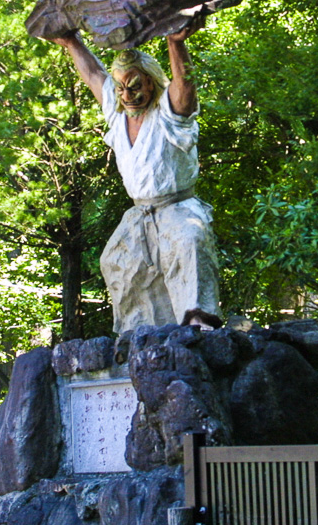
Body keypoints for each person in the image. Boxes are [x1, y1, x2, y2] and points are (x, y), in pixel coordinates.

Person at [51, 19, 220, 334]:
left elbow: (184, 87)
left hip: (178, 208)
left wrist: (175, 42)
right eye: (121, 87)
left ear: (152, 84)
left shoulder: (169, 114)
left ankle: (200, 328)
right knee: (117, 262)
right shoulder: (116, 114)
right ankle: (138, 335)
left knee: (189, 244)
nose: (126, 94)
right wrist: (73, 42)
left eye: (135, 85)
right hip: (139, 213)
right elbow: (93, 74)